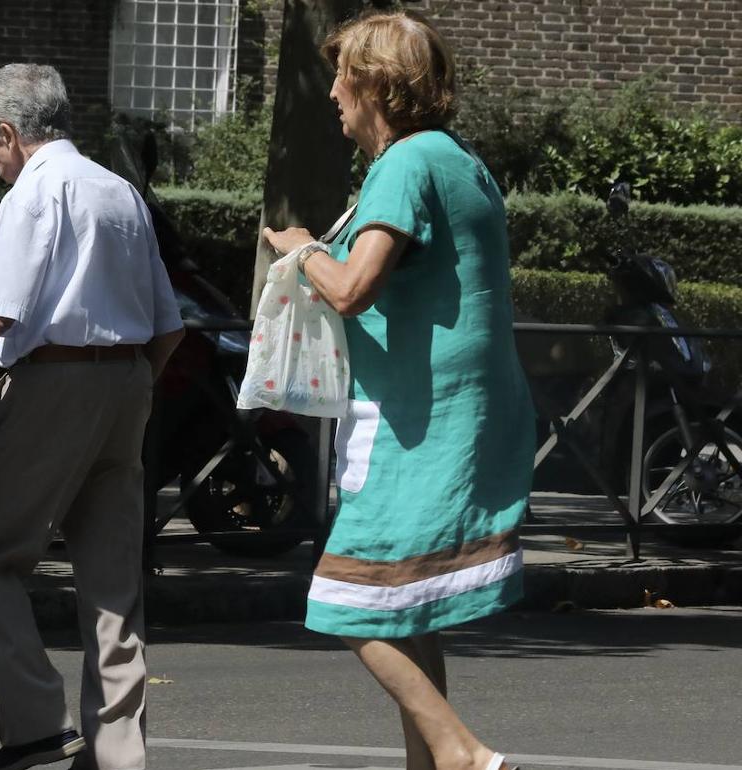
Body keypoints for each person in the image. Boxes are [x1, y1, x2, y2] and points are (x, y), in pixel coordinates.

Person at [262, 11, 532, 770]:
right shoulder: (458, 159)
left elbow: (351, 288)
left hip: (417, 419)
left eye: (343, 75)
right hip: (457, 411)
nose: (334, 94)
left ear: (376, 83)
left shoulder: (407, 164)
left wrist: (302, 248)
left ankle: (459, 752)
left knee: (347, 599)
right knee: (408, 605)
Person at [0, 63, 184, 770]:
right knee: (112, 582)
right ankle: (118, 753)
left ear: (7, 132)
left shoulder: (35, 192)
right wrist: (124, 384)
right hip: (129, 379)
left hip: (52, 380)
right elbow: (171, 328)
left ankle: (35, 725)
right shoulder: (119, 192)